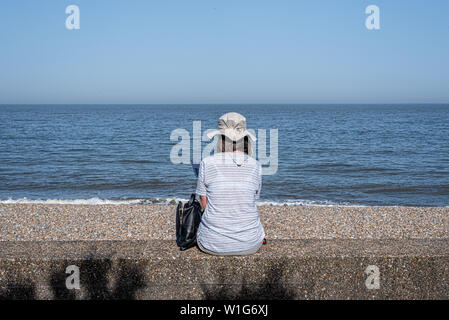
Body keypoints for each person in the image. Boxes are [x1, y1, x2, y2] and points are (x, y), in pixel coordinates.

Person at [195, 112, 265, 255]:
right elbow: (253, 199)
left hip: (210, 243)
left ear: (220, 139)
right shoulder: (256, 165)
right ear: (245, 139)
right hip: (250, 243)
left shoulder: (207, 163)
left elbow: (203, 202)